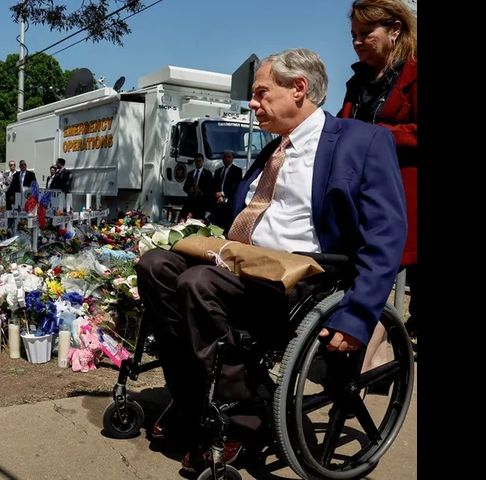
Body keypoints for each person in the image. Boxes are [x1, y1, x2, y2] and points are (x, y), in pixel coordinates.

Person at [135, 48, 406, 473]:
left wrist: (358, 315)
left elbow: (386, 235)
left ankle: (243, 418)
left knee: (198, 283)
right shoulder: (273, 150)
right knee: (155, 266)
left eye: (261, 92)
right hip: (241, 263)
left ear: (298, 88)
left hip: (301, 278)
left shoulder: (361, 141)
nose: (252, 103)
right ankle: (193, 399)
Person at [338, 0, 418, 351]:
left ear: (395, 30)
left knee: (383, 273)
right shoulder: (357, 81)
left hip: (405, 196)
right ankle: (370, 356)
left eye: (366, 33)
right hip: (360, 195)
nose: (357, 42)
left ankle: (376, 355)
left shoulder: (414, 74)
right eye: (353, 35)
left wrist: (379, 136)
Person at [211, 150, 243, 230]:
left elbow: (236, 187)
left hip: (229, 201)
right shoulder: (218, 171)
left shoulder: (237, 171)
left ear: (232, 158)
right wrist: (218, 195)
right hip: (217, 201)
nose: (226, 159)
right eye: (224, 157)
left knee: (226, 224)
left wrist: (223, 194)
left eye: (229, 157)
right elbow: (214, 185)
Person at [178, 153, 213, 222]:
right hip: (190, 201)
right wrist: (189, 189)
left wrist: (200, 190)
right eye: (196, 161)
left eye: (200, 161)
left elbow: (210, 188)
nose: (198, 163)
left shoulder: (208, 174)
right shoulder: (190, 174)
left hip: (201, 202)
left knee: (198, 221)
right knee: (183, 219)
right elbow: (185, 187)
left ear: (203, 161)